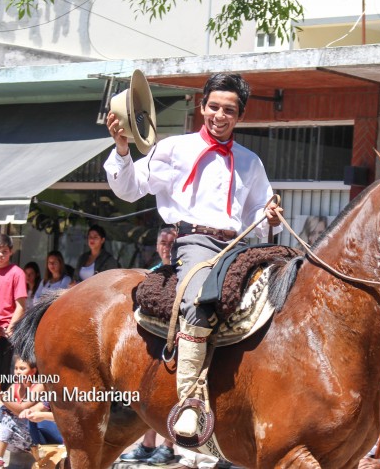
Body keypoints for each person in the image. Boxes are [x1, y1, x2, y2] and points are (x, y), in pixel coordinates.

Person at [104, 72, 282, 439]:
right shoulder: (174, 149)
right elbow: (129, 188)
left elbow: (258, 217)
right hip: (194, 244)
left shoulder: (251, 162)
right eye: (213, 106)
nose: (219, 115)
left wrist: (270, 218)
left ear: (240, 115)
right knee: (200, 298)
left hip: (240, 246)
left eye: (228, 110)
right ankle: (189, 400)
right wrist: (122, 149)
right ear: (202, 107)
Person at [119, 225, 179, 466]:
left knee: (171, 396)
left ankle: (168, 446)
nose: (167, 247)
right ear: (156, 246)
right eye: (163, 242)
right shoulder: (151, 273)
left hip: (174, 343)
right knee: (148, 395)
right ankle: (146, 445)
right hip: (151, 342)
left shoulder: (184, 272)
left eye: (171, 243)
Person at [0, 234, 27, 382]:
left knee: (2, 376)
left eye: (4, 251)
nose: (0, 255)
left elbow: (20, 306)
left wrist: (10, 328)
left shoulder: (17, 273)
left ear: (11, 252)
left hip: (6, 333)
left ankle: (0, 405)